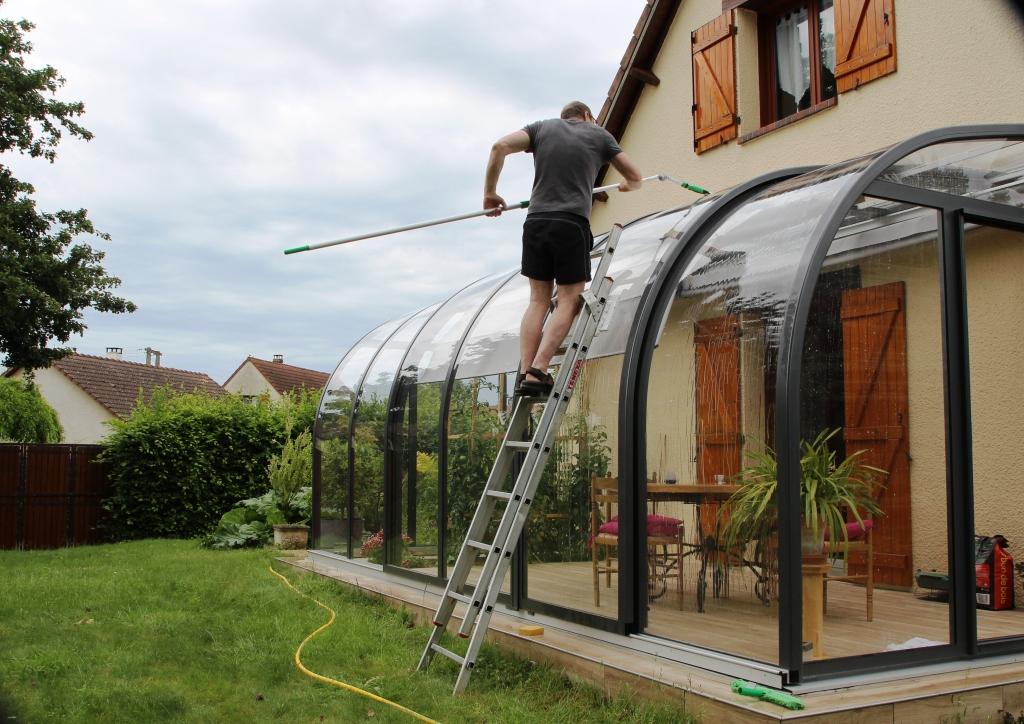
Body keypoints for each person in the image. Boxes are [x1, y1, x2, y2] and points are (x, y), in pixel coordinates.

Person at [484, 101, 642, 396]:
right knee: (569, 298)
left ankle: (525, 373)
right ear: (587, 116)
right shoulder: (599, 134)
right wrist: (626, 185)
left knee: (538, 300)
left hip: (535, 223)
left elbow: (499, 147)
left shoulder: (541, 129)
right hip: (570, 224)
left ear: (564, 117)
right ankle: (539, 370)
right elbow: (635, 177)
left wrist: (490, 193)